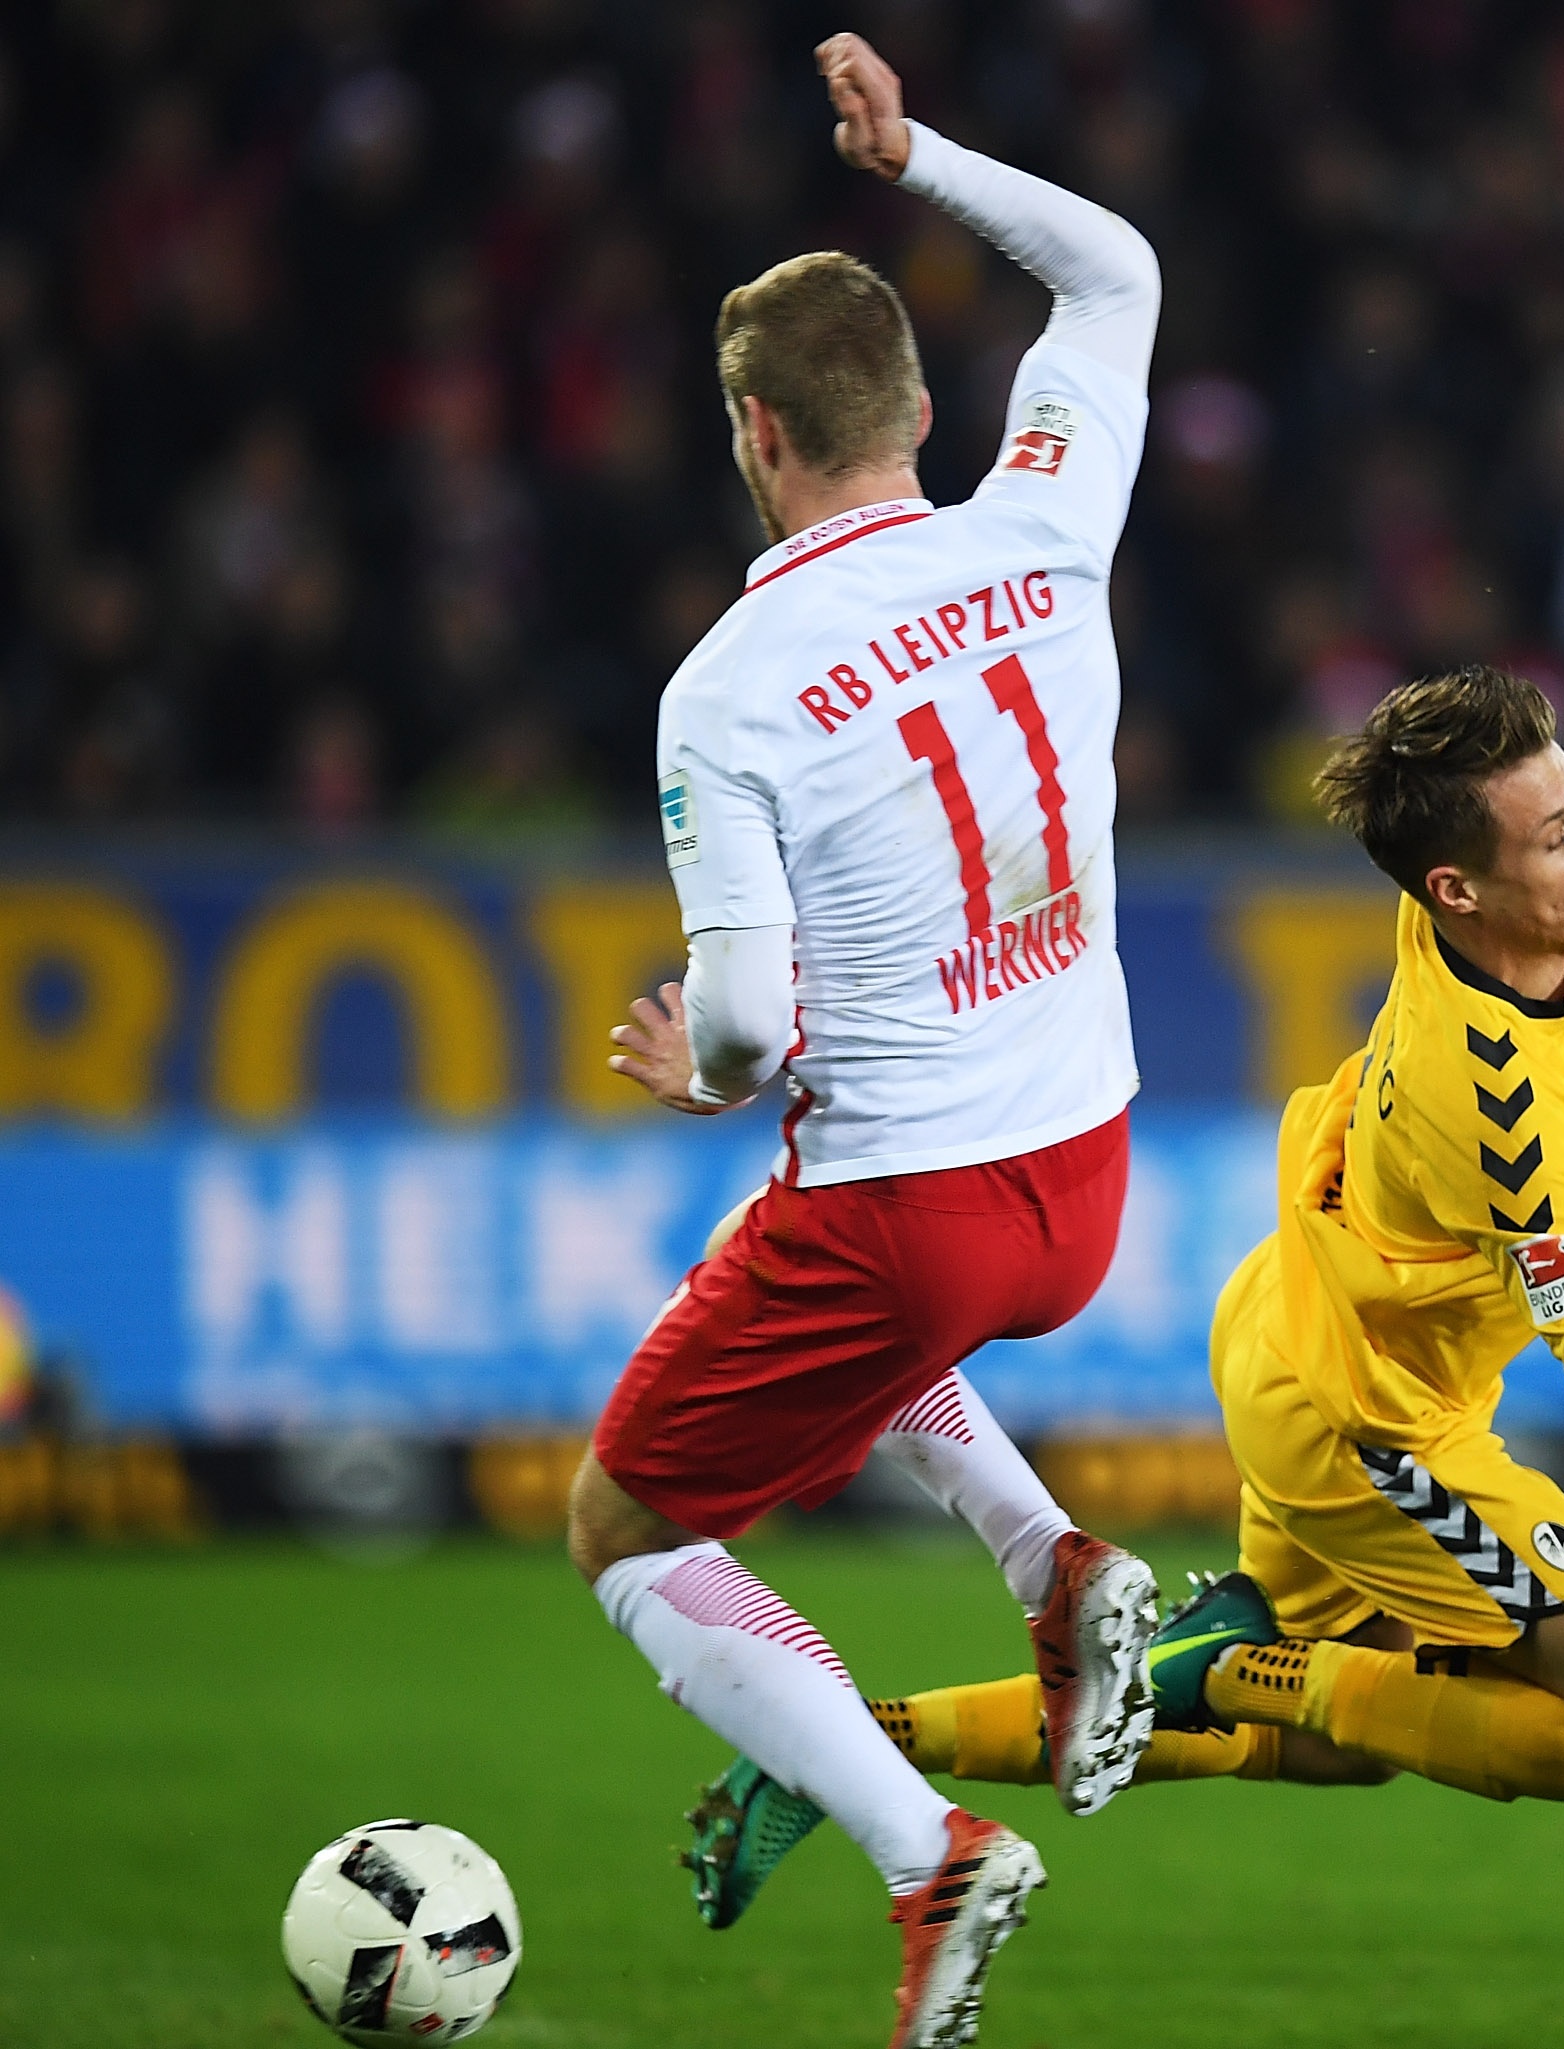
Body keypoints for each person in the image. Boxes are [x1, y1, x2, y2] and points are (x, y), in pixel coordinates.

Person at [701, 662, 1564, 1853]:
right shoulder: (1497, 1120)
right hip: (1365, 1421)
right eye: (1558, 835)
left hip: (1302, 1325)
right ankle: (1234, 1667)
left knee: (1330, 1746)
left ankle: (843, 1748)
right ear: (1455, 889)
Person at [567, 33, 1165, 2049]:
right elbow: (1117, 277)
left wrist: (710, 1068)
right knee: (833, 1250)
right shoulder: (1042, 530)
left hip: (910, 1206)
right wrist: (922, 157)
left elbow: (741, 1017)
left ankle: (930, 1850)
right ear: (919, 402)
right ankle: (1051, 1553)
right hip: (1082, 1168)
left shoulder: (725, 691)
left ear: (753, 434)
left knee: (627, 1521)